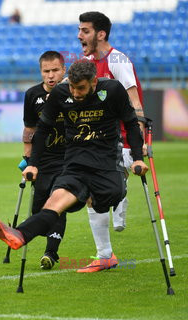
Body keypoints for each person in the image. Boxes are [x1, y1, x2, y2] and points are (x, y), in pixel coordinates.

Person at [0, 61, 148, 266]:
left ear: (94, 82)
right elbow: (43, 128)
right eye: (72, 87)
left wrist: (137, 159)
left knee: (108, 197)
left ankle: (105, 247)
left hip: (106, 165)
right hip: (75, 164)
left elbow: (131, 124)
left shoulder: (113, 90)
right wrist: (33, 163)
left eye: (80, 88)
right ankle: (19, 234)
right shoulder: (61, 93)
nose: (75, 92)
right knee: (54, 203)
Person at [76, 11, 146, 272]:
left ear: (100, 34)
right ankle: (105, 254)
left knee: (99, 188)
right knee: (90, 192)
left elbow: (135, 101)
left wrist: (141, 142)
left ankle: (120, 190)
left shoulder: (117, 59)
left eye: (85, 30)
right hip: (100, 141)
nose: (79, 35)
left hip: (124, 140)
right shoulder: (87, 62)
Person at [19, 51, 67, 269]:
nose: (51, 75)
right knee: (40, 207)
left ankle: (51, 252)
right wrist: (27, 158)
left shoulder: (72, 92)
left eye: (55, 70)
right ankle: (34, 231)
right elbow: (29, 128)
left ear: (63, 70)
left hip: (68, 158)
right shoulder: (32, 95)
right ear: (41, 72)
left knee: (58, 202)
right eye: (46, 71)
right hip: (42, 159)